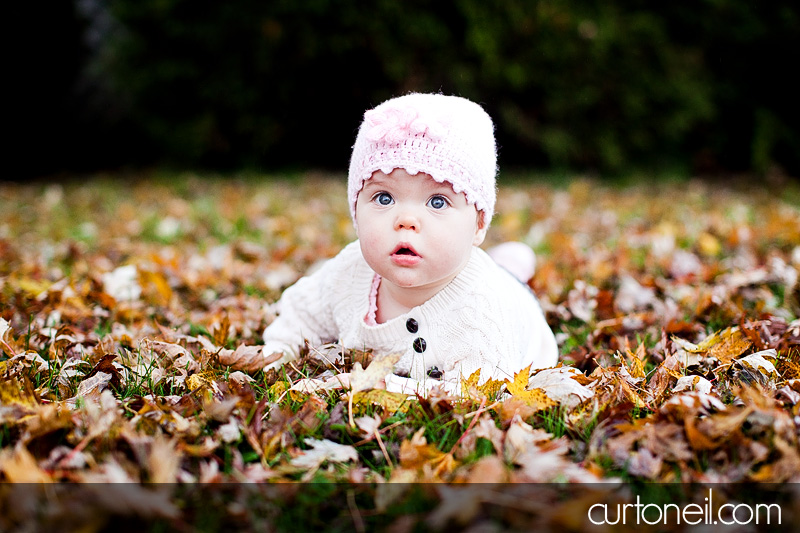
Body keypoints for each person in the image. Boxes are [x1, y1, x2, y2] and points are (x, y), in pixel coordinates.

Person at [221, 93, 558, 394]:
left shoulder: (483, 312)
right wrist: (278, 353)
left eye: (437, 202)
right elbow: (301, 313)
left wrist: (384, 386)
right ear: (356, 210)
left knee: (508, 278)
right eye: (383, 198)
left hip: (516, 306)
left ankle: (511, 267)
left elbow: (479, 390)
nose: (405, 220)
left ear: (478, 224)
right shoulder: (349, 272)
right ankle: (507, 261)